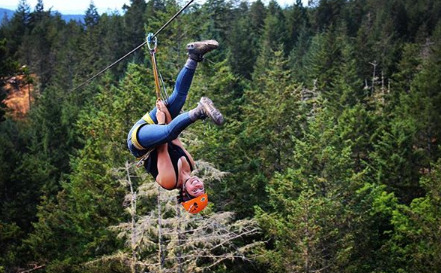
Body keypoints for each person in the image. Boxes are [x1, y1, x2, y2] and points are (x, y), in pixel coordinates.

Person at [127, 40, 223, 214]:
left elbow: (163, 148)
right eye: (202, 188)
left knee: (168, 131)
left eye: (195, 191)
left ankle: (200, 111)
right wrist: (164, 115)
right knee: (179, 98)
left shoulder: (169, 181)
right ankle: (194, 55)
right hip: (161, 130)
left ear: (185, 193)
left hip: (140, 142)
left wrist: (162, 118)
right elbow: (175, 138)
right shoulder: (190, 165)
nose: (198, 186)